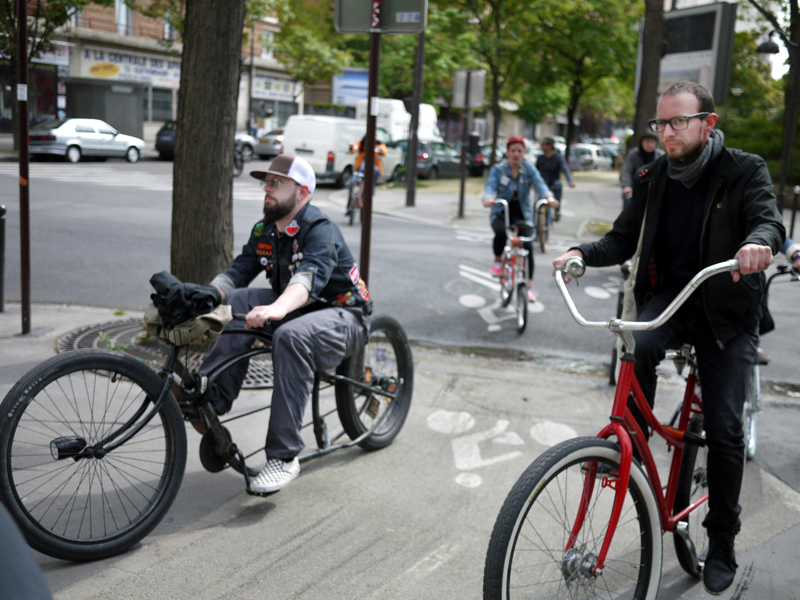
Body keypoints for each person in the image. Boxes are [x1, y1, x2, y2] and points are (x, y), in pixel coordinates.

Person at [552, 81, 784, 596]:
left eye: (678, 121)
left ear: (709, 122)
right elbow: (621, 237)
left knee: (724, 432)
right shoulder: (653, 175)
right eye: (661, 123)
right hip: (673, 301)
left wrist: (756, 245)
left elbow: (769, 223)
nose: (667, 132)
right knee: (641, 343)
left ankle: (721, 539)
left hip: (726, 313)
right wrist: (580, 255)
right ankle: (632, 449)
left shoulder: (745, 170)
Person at [198, 154, 371, 494]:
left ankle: (284, 456)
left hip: (344, 314)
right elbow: (238, 272)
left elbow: (308, 277)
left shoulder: (320, 229)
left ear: (303, 191)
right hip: (296, 311)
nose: (268, 188)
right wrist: (204, 295)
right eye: (267, 182)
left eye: (277, 183)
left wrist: (276, 308)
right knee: (239, 298)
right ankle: (210, 401)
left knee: (290, 336)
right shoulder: (265, 231)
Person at [483, 136, 557, 302]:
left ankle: (529, 286)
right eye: (513, 151)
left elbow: (540, 184)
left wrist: (549, 198)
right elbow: (490, 185)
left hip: (523, 215)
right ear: (508, 153)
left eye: (519, 151)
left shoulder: (528, 169)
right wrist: (487, 198)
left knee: (528, 246)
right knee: (501, 231)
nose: (516, 154)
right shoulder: (499, 169)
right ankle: (497, 261)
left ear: (524, 153)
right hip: (502, 212)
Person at [620, 131, 665, 207]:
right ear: (642, 142)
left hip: (654, 192)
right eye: (647, 142)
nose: (649, 144)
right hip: (635, 190)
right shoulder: (633, 154)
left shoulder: (660, 155)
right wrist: (627, 186)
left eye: (652, 142)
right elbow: (627, 171)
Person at [536, 136, 575, 222]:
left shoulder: (558, 158)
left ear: (550, 146)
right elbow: (535, 172)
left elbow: (565, 169)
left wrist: (570, 181)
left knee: (557, 185)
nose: (541, 146)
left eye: (543, 144)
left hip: (553, 183)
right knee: (537, 201)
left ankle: (557, 211)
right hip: (543, 183)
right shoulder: (540, 158)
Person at [347, 134, 386, 214]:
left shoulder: (379, 145)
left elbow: (384, 152)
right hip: (359, 170)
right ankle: (349, 207)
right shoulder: (361, 144)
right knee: (351, 184)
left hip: (371, 171)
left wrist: (378, 150)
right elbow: (354, 149)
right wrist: (351, 146)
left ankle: (372, 186)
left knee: (375, 170)